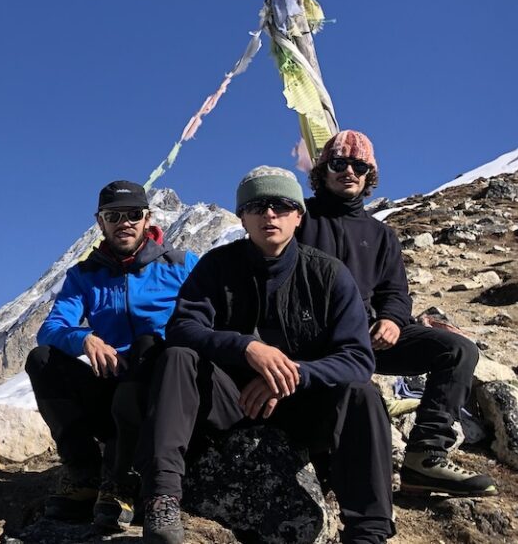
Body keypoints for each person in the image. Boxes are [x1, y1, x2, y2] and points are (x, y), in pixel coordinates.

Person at [137, 166, 394, 544]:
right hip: (232, 402)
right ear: (242, 216)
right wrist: (246, 348)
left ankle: (368, 532)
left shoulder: (328, 274)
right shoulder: (217, 266)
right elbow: (183, 327)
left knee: (362, 393)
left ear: (298, 216)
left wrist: (293, 376)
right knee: (177, 357)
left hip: (303, 407)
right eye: (257, 206)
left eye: (280, 205)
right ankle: (162, 498)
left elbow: (357, 357)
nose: (269, 214)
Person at [298, 130, 496, 496]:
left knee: (458, 350)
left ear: (369, 175)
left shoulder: (381, 234)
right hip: (314, 340)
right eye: (339, 163)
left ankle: (426, 456)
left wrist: (391, 320)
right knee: (351, 393)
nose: (349, 171)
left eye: (360, 166)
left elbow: (395, 293)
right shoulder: (299, 219)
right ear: (323, 170)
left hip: (369, 336)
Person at [26, 180, 197, 532]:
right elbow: (52, 328)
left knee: (149, 345)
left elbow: (212, 317)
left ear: (148, 218)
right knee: (42, 360)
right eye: (113, 216)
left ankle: (122, 483)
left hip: (161, 394)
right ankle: (84, 475)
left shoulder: (181, 265)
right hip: (111, 388)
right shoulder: (85, 275)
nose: (125, 222)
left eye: (134, 214)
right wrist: (84, 338)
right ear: (100, 222)